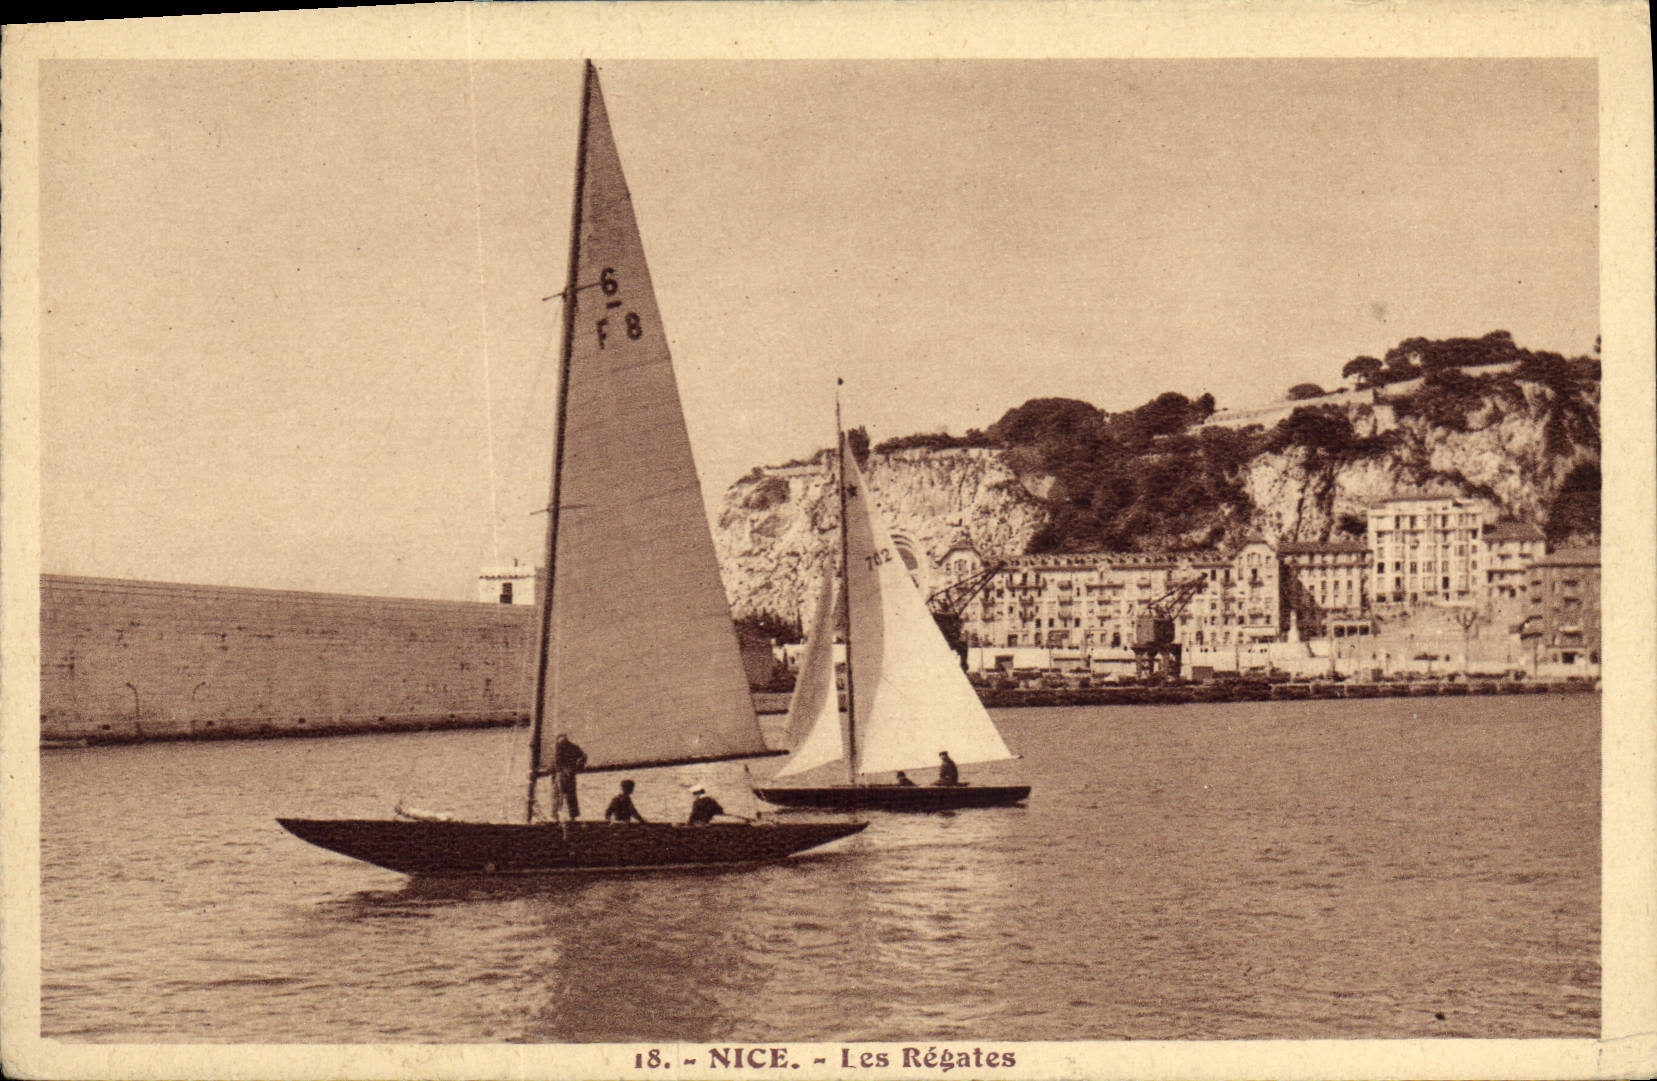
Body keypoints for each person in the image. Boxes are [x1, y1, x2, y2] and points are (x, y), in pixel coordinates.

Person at [551, 732, 587, 819]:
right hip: (569, 774)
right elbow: (583, 756)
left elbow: (556, 763)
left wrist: (576, 767)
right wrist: (577, 767)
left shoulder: (559, 748)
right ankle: (571, 817)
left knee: (559, 796)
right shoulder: (572, 747)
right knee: (568, 796)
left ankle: (557, 817)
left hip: (562, 775)